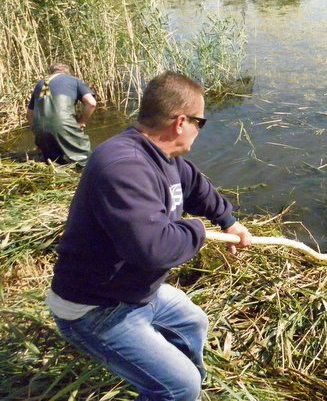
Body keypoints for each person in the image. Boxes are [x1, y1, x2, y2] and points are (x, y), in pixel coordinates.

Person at [46, 71, 253, 400]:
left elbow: (196, 186)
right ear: (181, 122)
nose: (200, 130)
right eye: (202, 122)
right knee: (180, 385)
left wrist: (228, 221)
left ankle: (180, 386)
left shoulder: (163, 156)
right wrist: (198, 229)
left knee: (192, 322)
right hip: (94, 308)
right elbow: (153, 249)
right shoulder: (123, 166)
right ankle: (175, 390)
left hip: (134, 291)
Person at [27, 63, 97, 166]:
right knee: (86, 161)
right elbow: (91, 103)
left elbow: (29, 115)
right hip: (63, 125)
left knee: (53, 162)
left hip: (39, 128)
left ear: (51, 72)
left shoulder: (40, 83)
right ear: (67, 73)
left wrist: (39, 133)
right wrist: (81, 122)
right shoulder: (73, 80)